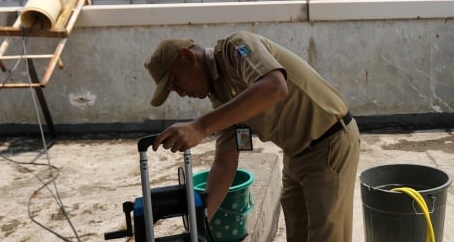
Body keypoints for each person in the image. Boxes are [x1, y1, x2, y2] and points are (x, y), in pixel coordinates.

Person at [144, 30, 360, 242]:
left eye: (175, 81)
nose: (181, 93)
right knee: (298, 234)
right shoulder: (220, 97)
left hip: (329, 143)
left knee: (327, 236)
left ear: (187, 56)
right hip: (296, 154)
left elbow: (275, 86)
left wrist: (200, 127)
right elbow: (225, 163)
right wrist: (200, 222)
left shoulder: (237, 47)